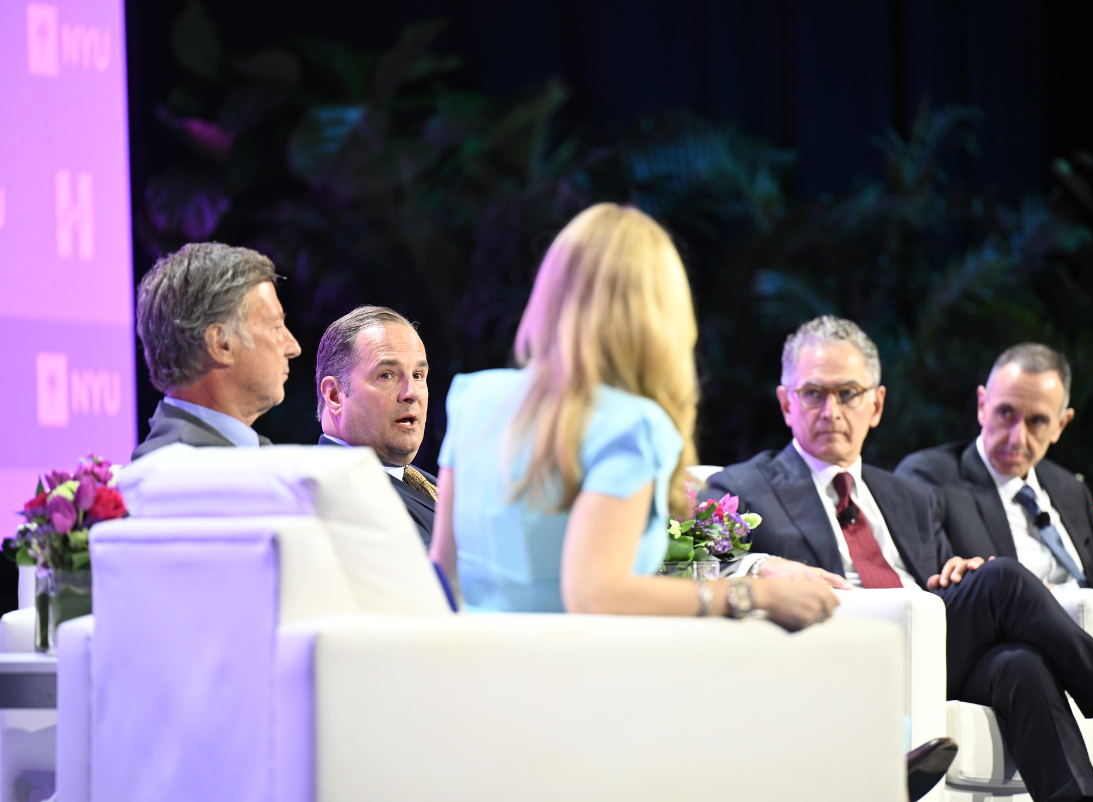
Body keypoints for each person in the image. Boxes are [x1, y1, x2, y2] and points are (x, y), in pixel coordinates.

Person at [431, 204, 952, 801]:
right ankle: (870, 762)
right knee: (794, 646)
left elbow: (443, 574)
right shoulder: (632, 425)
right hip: (593, 690)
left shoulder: (473, 398)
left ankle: (867, 759)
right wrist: (752, 591)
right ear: (659, 314)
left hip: (489, 689)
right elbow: (594, 592)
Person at [704, 316, 1093, 802]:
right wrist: (759, 565)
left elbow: (941, 580)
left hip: (932, 649)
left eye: (848, 393)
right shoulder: (741, 488)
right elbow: (696, 566)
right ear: (786, 404)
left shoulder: (907, 496)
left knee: (1019, 663)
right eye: (813, 393)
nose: (831, 410)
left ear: (876, 405)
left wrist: (958, 571)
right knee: (1005, 581)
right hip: (845, 650)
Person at [896, 343, 1093, 714]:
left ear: (1061, 424)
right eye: (1005, 413)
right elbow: (940, 583)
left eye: (1037, 421)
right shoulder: (932, 478)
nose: (1016, 437)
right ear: (982, 405)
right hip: (1032, 638)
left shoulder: (1067, 489)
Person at [132, 242, 301, 461]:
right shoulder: (181, 473)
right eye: (276, 327)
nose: (294, 347)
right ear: (221, 344)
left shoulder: (238, 455)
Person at [315, 305, 437, 546]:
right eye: (387, 375)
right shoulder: (343, 493)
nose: (411, 393)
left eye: (418, 375)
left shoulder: (420, 481)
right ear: (334, 396)